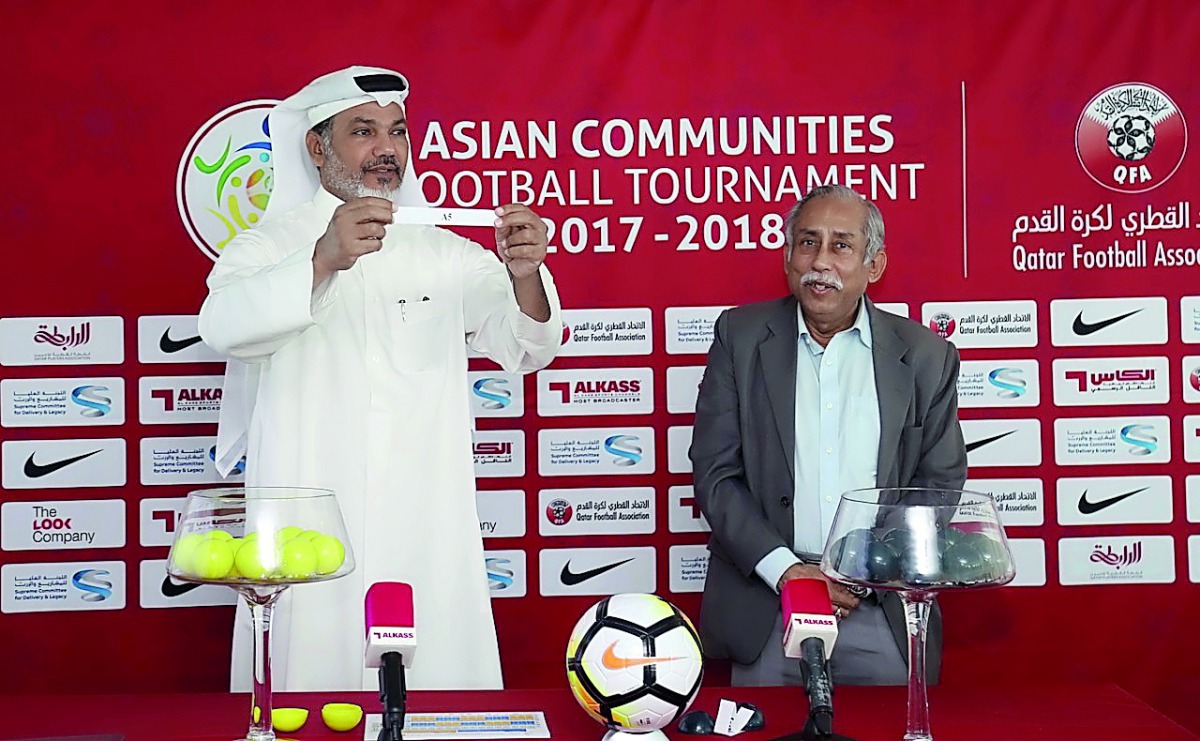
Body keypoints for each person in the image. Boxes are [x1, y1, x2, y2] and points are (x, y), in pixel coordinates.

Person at [198, 65, 562, 692]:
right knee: (304, 695)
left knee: (437, 698)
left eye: (396, 131)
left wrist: (525, 271)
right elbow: (221, 326)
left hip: (426, 519)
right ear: (317, 147)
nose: (387, 148)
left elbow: (526, 343)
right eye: (362, 131)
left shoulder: (443, 250)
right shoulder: (268, 246)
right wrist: (322, 259)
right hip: (307, 525)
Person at [689, 185, 966, 686]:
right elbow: (716, 473)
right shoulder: (740, 336)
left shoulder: (926, 355)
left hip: (880, 606)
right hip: (767, 604)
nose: (821, 261)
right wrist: (788, 572)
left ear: (873, 265)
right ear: (788, 256)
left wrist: (867, 566)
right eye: (807, 242)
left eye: (841, 245)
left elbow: (938, 482)